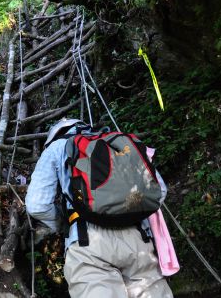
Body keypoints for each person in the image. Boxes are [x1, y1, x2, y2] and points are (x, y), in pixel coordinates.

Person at [25, 118, 173, 298]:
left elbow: (37, 205)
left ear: (54, 135)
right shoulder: (120, 143)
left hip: (87, 241)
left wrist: (64, 224)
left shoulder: (57, 148)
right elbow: (160, 192)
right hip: (138, 240)